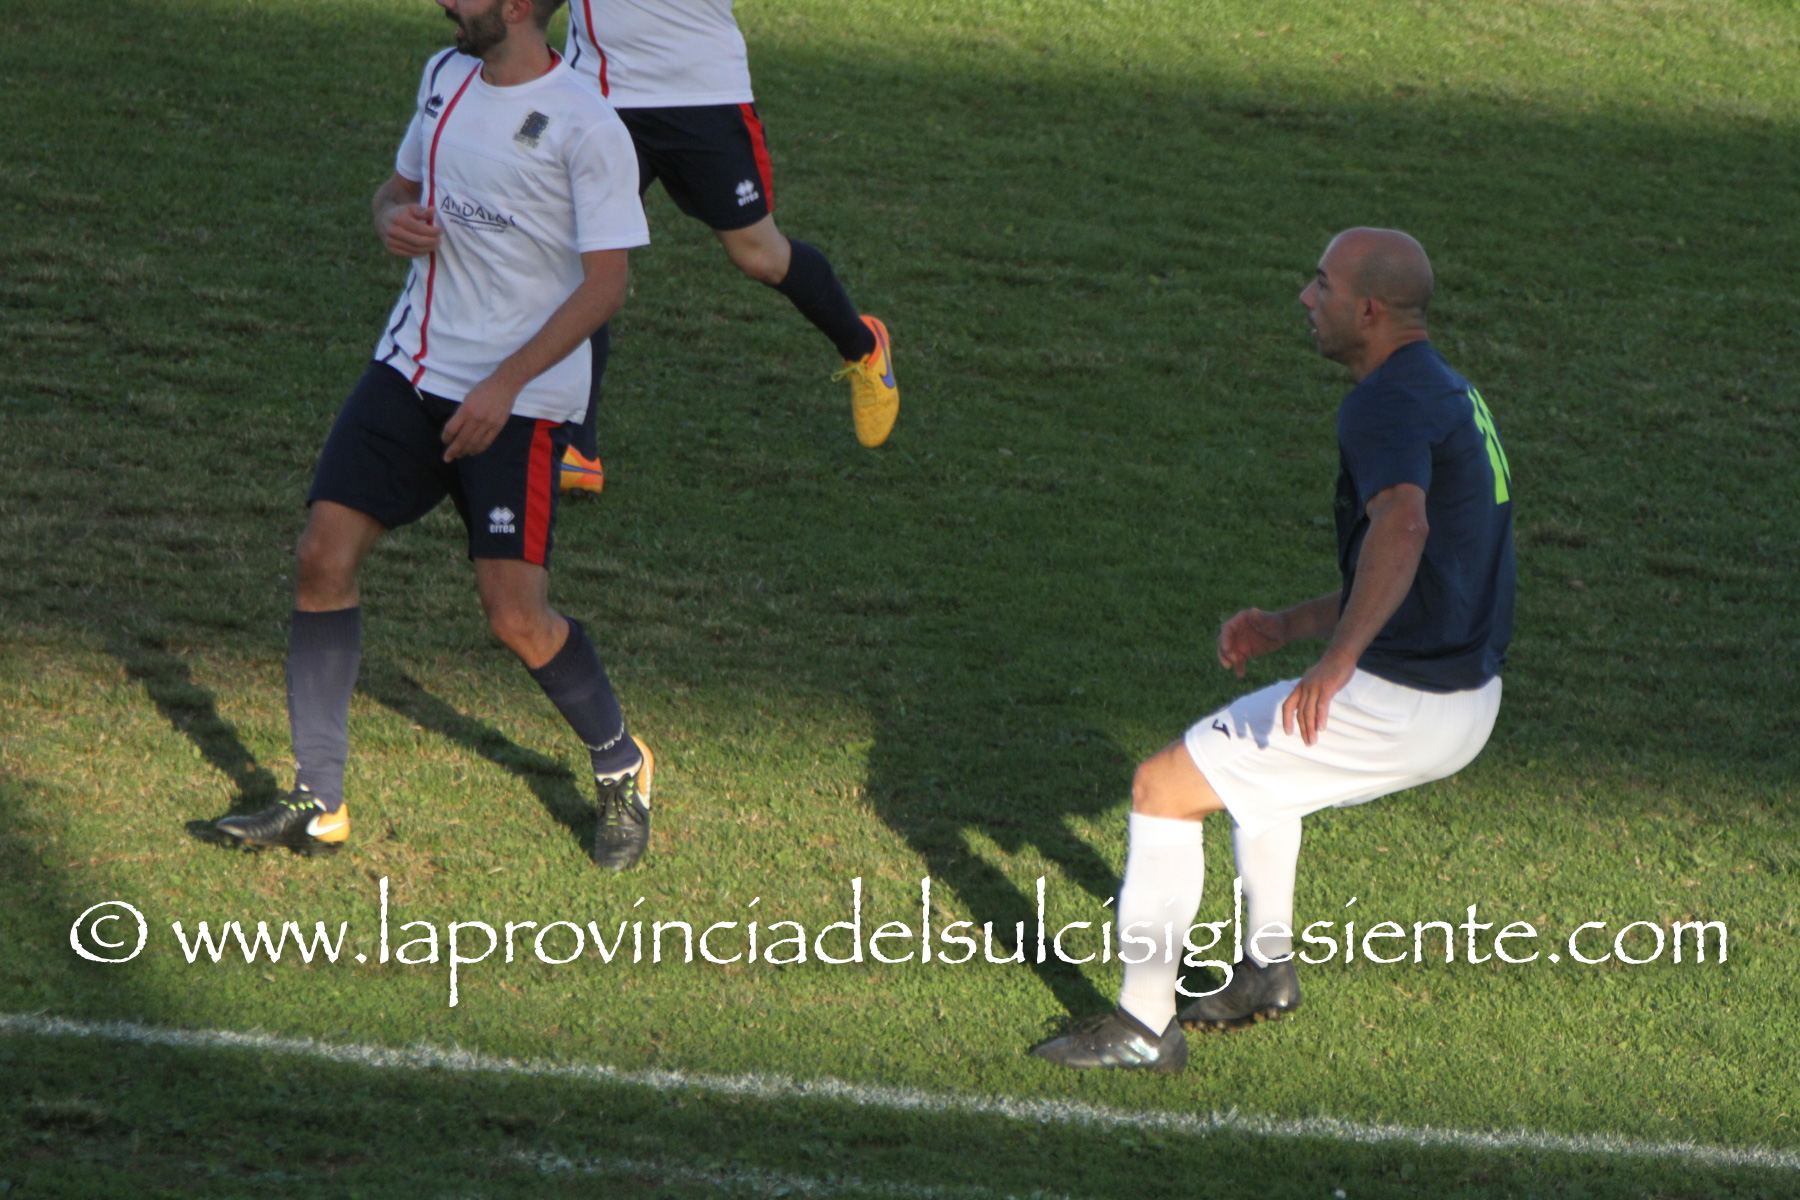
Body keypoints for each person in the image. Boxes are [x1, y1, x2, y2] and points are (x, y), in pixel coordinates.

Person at [1033, 229, 1516, 1072]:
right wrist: (1293, 625)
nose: (1306, 298)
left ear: (1369, 309)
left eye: (1322, 285)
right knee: (1264, 773)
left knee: (1162, 789)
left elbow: (1403, 529)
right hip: (1466, 697)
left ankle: (1143, 1026)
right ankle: (1266, 968)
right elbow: (1429, 570)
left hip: (1401, 700)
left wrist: (1336, 662)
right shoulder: (1447, 389)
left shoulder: (1383, 403)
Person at [216, 0, 660, 872]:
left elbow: (607, 286)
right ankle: (319, 800)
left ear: (519, 6)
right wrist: (390, 219)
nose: (447, 1)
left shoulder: (588, 125)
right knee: (322, 557)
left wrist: (506, 384)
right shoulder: (444, 75)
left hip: (520, 403)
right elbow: (397, 191)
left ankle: (620, 762)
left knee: (515, 617)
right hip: (411, 370)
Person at [556, 0, 898, 482]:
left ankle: (863, 345)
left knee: (759, 256)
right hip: (601, 96)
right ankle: (577, 449)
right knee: (580, 257)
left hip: (704, 93)